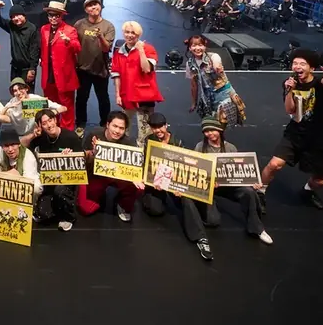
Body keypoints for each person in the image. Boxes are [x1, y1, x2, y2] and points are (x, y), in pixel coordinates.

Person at [259, 49, 323, 210]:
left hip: (319, 137)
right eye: (295, 63)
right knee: (274, 164)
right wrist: (288, 91)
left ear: (312, 68)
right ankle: (259, 192)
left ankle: (307, 192)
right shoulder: (289, 83)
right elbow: (289, 110)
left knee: (319, 181)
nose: (297, 66)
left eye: (302, 64)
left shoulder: (318, 85)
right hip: (295, 132)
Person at [137, 112, 213, 261]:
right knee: (155, 210)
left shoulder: (178, 141)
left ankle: (201, 238)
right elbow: (146, 164)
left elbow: (187, 166)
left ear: (166, 126)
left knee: (186, 200)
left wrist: (181, 186)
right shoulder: (149, 140)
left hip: (175, 181)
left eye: (160, 127)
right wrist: (152, 182)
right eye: (154, 128)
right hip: (158, 182)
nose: (158, 131)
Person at [193, 117, 272, 245]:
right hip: (209, 187)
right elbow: (196, 169)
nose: (210, 133)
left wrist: (252, 182)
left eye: (212, 129)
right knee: (212, 221)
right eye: (206, 131)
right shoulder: (200, 147)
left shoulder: (230, 147)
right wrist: (208, 181)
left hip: (228, 186)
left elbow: (239, 171)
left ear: (219, 130)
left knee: (249, 192)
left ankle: (257, 229)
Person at [78, 111, 140, 223]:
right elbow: (83, 162)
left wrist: (135, 178)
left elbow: (135, 169)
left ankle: (122, 202)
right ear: (107, 124)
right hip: (96, 175)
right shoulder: (94, 134)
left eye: (121, 128)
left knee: (136, 186)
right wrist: (93, 153)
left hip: (118, 176)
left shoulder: (129, 143)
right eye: (115, 126)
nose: (117, 131)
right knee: (86, 209)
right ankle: (99, 194)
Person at [30, 108, 84, 232]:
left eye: (50, 120)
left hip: (68, 178)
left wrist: (70, 158)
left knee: (60, 192)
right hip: (50, 178)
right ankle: (55, 206)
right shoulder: (41, 137)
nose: (49, 125)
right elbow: (22, 146)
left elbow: (82, 160)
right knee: (43, 214)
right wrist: (33, 135)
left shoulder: (70, 136)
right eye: (44, 123)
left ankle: (69, 217)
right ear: (40, 126)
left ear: (55, 120)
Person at [110, 21, 163, 142]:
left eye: (133, 33)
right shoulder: (119, 52)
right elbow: (116, 74)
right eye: (127, 32)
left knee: (144, 131)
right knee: (123, 127)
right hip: (126, 95)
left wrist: (141, 51)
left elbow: (146, 68)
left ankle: (143, 155)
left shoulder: (148, 49)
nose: (129, 35)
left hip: (144, 96)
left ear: (138, 34)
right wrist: (118, 94)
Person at [184, 34, 246, 126]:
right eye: (194, 45)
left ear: (205, 46)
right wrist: (194, 102)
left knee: (222, 123)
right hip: (207, 98)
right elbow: (194, 85)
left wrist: (217, 68)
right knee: (210, 125)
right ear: (189, 48)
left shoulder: (213, 56)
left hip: (223, 94)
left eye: (200, 45)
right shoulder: (190, 64)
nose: (197, 48)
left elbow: (217, 65)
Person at [38, 0, 81, 132]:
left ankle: (67, 133)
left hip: (64, 76)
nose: (53, 18)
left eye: (56, 15)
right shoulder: (44, 29)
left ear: (61, 16)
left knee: (66, 107)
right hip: (48, 74)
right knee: (50, 105)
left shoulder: (70, 30)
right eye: (51, 15)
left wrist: (69, 42)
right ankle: (52, 130)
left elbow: (77, 48)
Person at [74, 0, 115, 130]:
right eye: (90, 6)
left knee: (103, 99)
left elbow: (106, 48)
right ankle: (80, 124)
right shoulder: (79, 24)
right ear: (86, 9)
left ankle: (105, 124)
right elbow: (74, 45)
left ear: (100, 6)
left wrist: (100, 37)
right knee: (81, 99)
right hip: (82, 69)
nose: (93, 7)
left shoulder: (108, 26)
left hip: (100, 69)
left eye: (96, 4)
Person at [0, 127, 43, 201]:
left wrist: (17, 179)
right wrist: (8, 174)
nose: (10, 149)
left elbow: (33, 186)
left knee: (35, 188)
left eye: (13, 145)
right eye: (6, 146)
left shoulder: (28, 156)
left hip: (24, 193)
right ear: (2, 147)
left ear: (19, 144)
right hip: (5, 190)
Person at [0, 0, 39, 88]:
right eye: (13, 17)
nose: (15, 18)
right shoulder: (11, 26)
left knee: (27, 95)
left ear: (24, 15)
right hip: (15, 68)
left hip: (27, 69)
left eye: (18, 15)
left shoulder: (32, 28)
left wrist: (32, 69)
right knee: (15, 91)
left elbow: (35, 50)